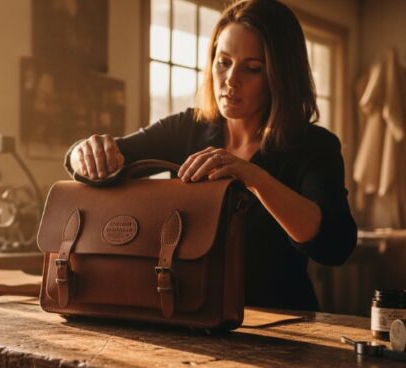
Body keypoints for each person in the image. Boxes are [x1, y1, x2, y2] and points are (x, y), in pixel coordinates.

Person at [65, 0, 356, 313]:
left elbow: (334, 245)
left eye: (253, 68)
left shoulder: (313, 146)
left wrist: (253, 177)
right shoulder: (187, 128)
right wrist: (81, 153)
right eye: (224, 61)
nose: (231, 80)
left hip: (280, 324)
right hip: (188, 312)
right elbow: (112, 158)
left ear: (280, 76)